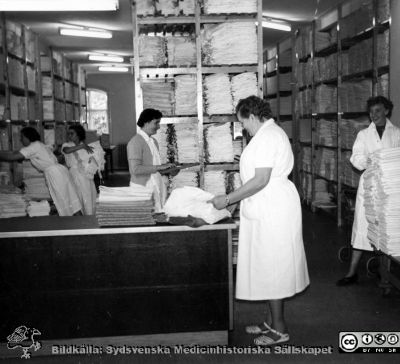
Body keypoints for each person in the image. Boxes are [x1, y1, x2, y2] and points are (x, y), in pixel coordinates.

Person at [209, 96, 309, 346]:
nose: (244, 128)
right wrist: (234, 202)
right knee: (269, 265)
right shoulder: (269, 134)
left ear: (253, 116)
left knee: (273, 266)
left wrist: (229, 199)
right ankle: (270, 320)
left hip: (272, 207)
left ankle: (279, 329)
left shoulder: (267, 137)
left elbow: (261, 179)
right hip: (269, 204)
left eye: (243, 122)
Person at [337, 96, 400, 286]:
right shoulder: (364, 135)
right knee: (362, 228)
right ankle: (351, 273)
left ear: (387, 111)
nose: (374, 115)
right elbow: (356, 159)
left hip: (390, 188)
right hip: (369, 186)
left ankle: (385, 273)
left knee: (390, 229)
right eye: (371, 112)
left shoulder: (397, 133)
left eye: (378, 111)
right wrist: (369, 160)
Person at [0, 127, 82, 216]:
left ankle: (70, 225)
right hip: (60, 171)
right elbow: (14, 152)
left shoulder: (33, 146)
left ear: (28, 137)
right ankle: (81, 225)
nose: (20, 139)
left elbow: (13, 157)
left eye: (22, 137)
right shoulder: (39, 145)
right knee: (71, 201)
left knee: (63, 201)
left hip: (55, 174)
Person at [127, 108, 177, 212]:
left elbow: (153, 165)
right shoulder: (135, 142)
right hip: (143, 188)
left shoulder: (153, 141)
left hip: (156, 185)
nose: (158, 126)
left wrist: (169, 168)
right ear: (146, 122)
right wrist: (159, 167)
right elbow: (135, 169)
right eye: (156, 123)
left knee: (158, 218)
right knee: (145, 223)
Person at [62, 125, 105, 215]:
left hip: (87, 176)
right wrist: (82, 146)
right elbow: (66, 151)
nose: (69, 136)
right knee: (78, 196)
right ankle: (82, 218)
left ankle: (90, 217)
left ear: (78, 134)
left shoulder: (87, 146)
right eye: (68, 134)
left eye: (72, 133)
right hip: (75, 175)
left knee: (88, 195)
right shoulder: (67, 145)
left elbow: (95, 159)